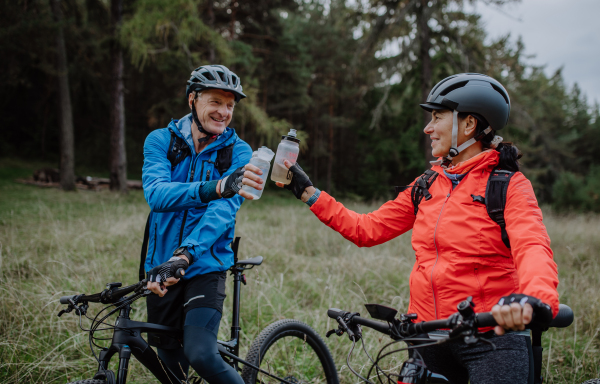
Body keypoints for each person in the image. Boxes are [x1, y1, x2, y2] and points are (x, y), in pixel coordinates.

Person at [275, 73, 559, 384]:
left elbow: (532, 246)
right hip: (428, 335)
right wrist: (310, 194)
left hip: (492, 339)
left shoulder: (507, 186)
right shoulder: (427, 184)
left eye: (437, 117)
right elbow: (366, 229)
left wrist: (534, 299)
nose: (428, 128)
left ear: (469, 125)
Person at [141, 64, 264, 384]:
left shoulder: (239, 152)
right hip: (160, 268)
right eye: (215, 102)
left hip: (205, 267)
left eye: (230, 105)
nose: (224, 112)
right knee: (170, 366)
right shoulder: (160, 141)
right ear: (192, 100)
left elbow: (222, 212)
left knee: (201, 354)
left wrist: (185, 254)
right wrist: (216, 186)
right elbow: (156, 194)